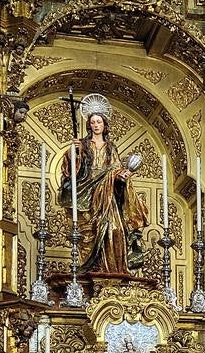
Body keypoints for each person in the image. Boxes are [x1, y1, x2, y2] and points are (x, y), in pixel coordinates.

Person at [59, 93, 149, 275]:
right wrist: (73, 153)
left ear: (104, 125)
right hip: (87, 189)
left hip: (107, 193)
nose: (96, 125)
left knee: (114, 229)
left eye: (99, 122)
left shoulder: (110, 147)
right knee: (89, 232)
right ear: (89, 125)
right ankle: (91, 266)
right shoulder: (83, 144)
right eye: (93, 122)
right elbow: (72, 170)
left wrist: (121, 175)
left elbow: (114, 168)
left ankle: (114, 267)